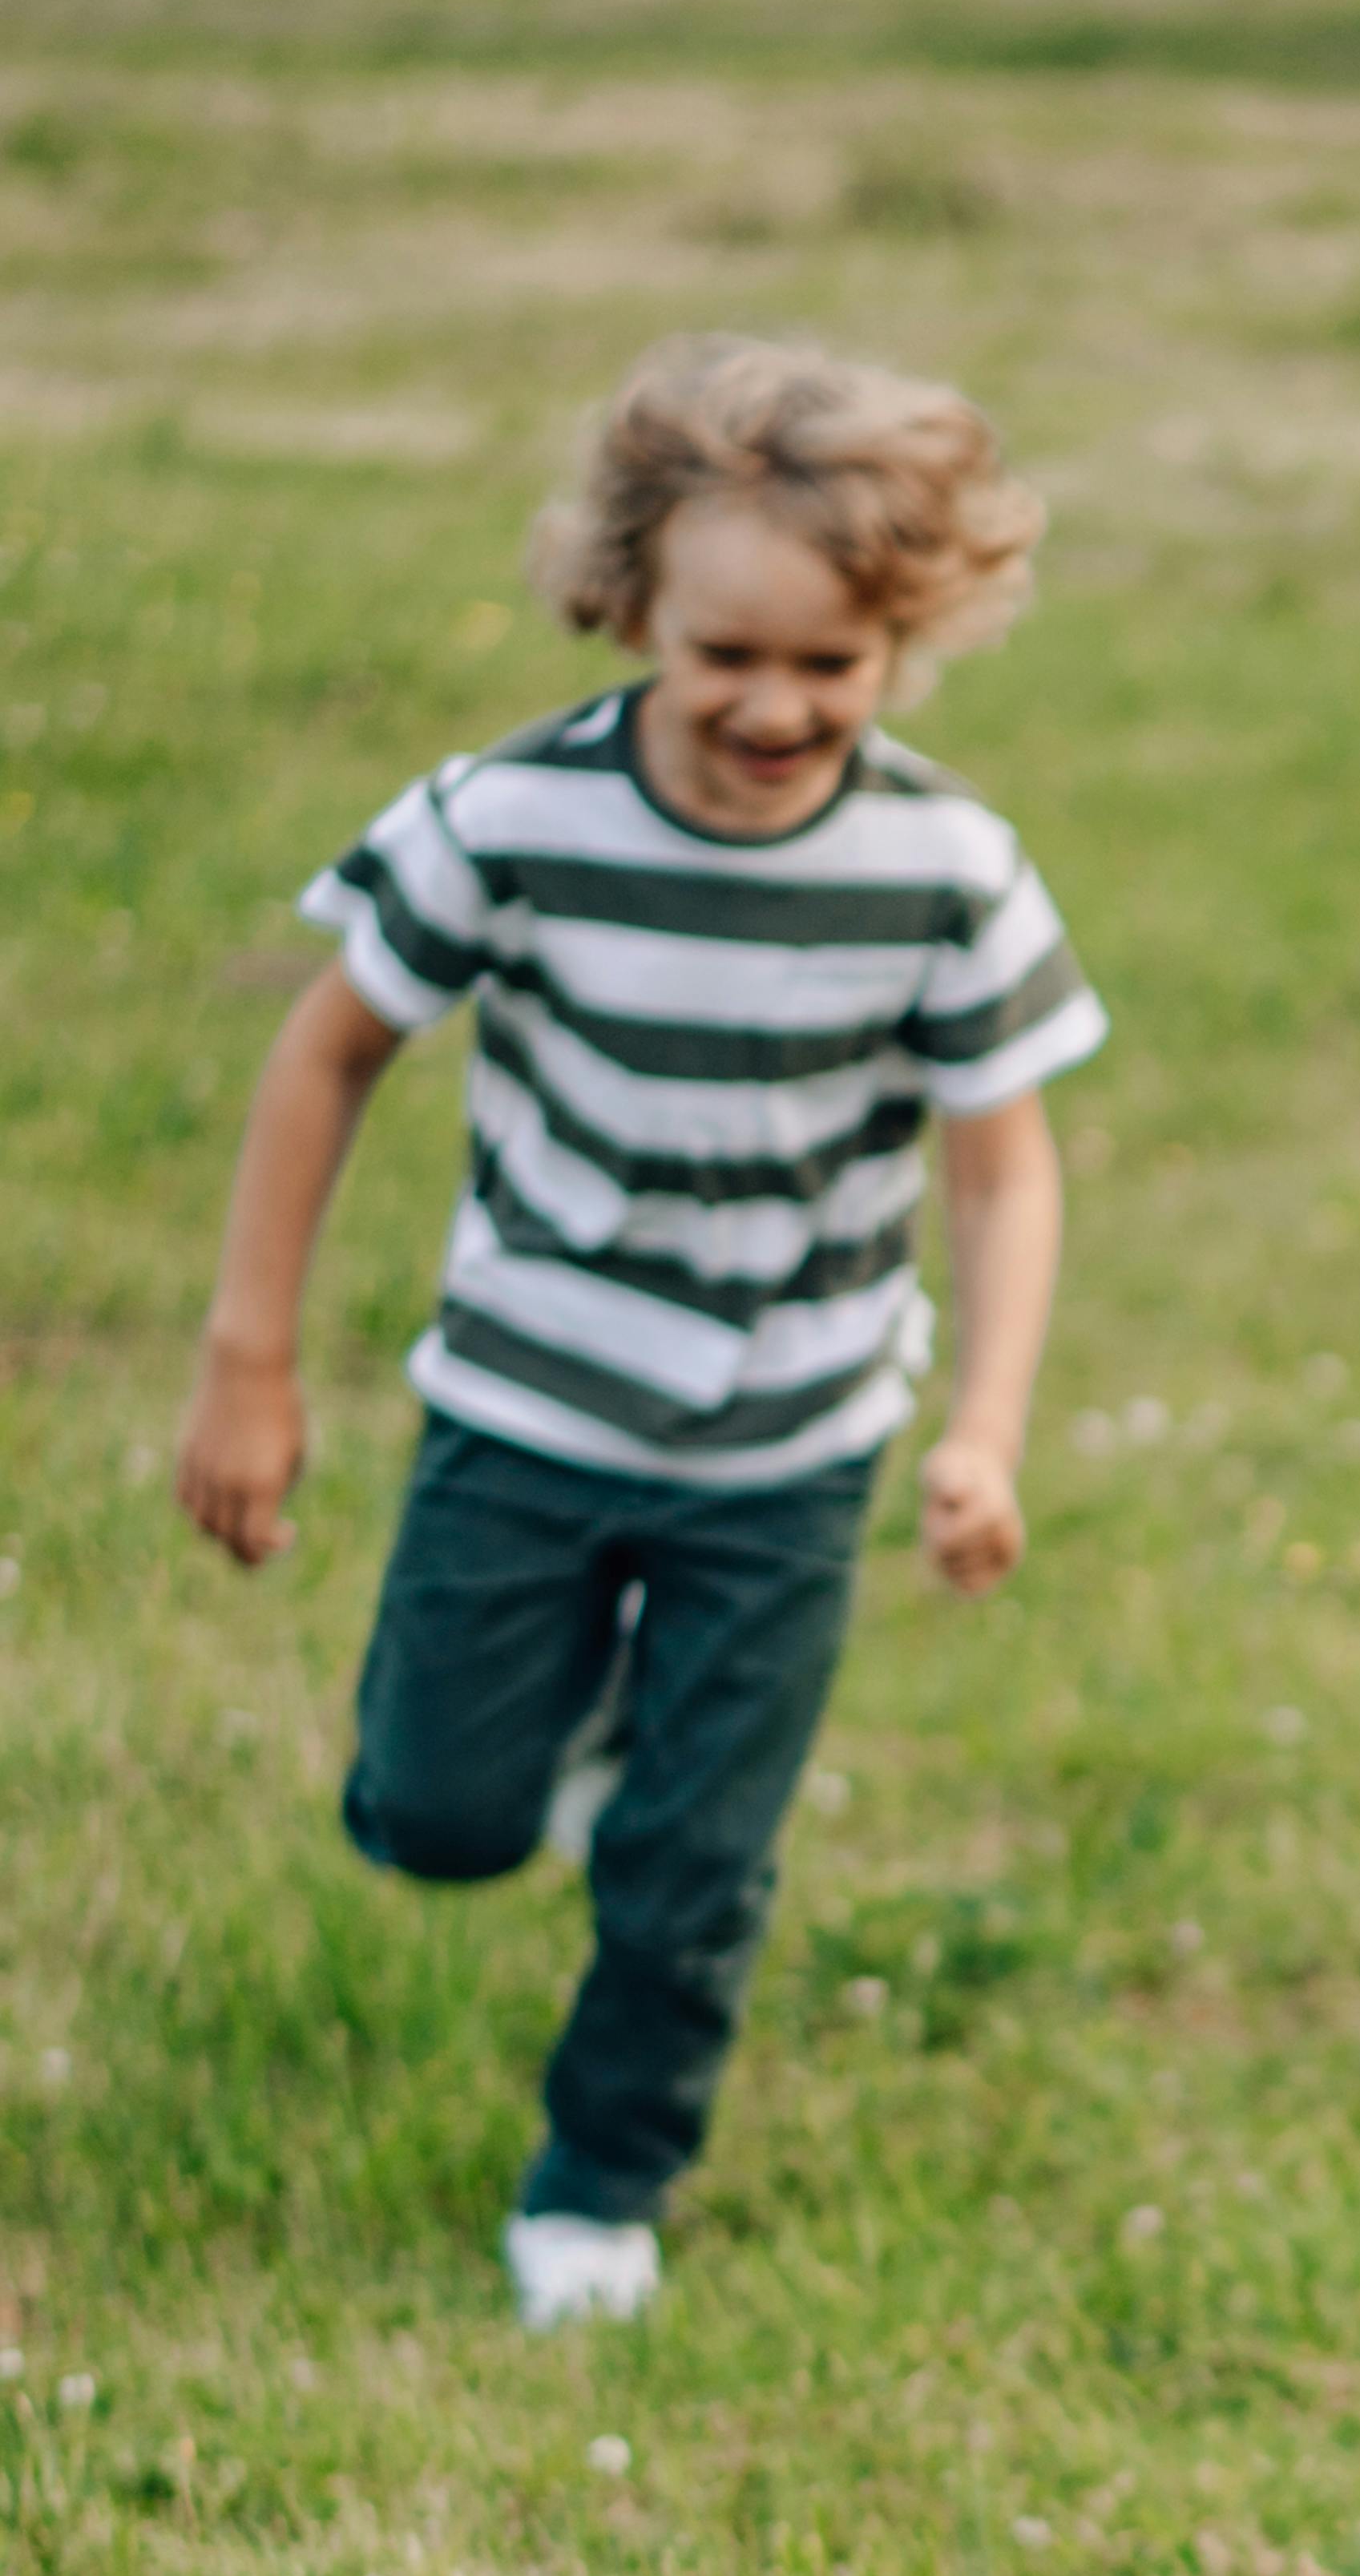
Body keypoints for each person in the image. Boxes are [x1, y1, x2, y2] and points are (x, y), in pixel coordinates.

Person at [175, 333, 1104, 2332]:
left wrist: (982, 1425)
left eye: (830, 667)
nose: (775, 709)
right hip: (526, 1405)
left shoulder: (940, 870)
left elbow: (1002, 1169)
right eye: (725, 658)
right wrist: (250, 1355)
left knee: (692, 1867)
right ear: (630, 607)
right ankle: (569, 1721)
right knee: (433, 1816)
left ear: (904, 642)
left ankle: (601, 2182)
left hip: (787, 1442)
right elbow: (328, 1052)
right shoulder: (512, 818)